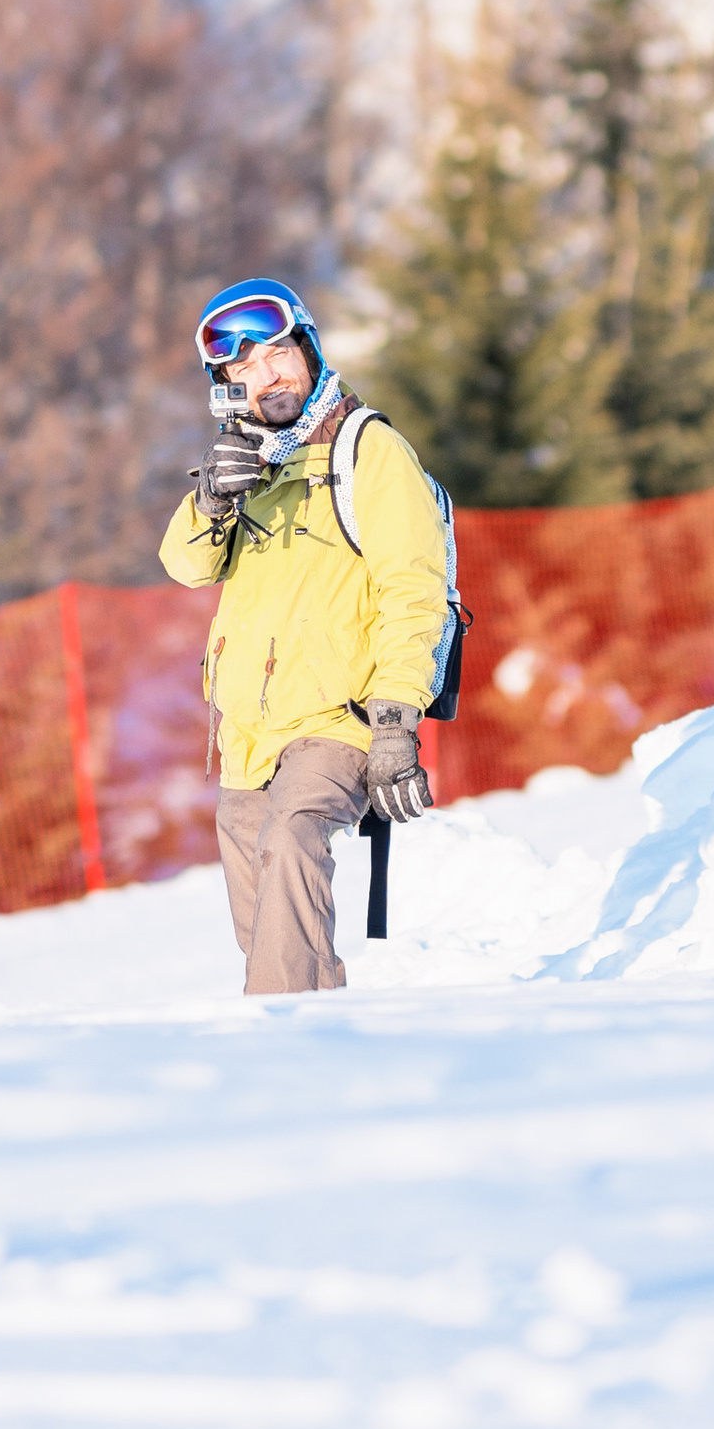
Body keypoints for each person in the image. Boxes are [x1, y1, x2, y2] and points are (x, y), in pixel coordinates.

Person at [159, 276, 445, 996]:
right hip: (249, 733)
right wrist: (211, 500)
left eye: (278, 352)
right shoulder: (250, 463)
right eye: (242, 370)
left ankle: (281, 1047)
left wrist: (395, 722)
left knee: (291, 841)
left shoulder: (368, 454)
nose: (266, 377)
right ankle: (313, 1040)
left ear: (310, 348)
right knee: (268, 931)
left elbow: (413, 593)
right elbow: (187, 568)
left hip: (339, 723)